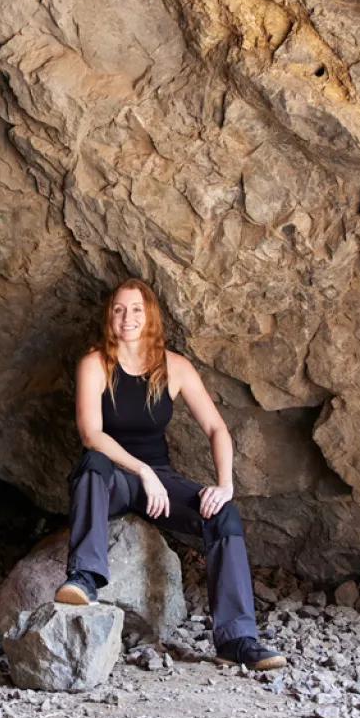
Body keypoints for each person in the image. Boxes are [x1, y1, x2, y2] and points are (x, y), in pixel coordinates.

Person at [54, 278, 286, 671]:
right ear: (109, 317)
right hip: (113, 480)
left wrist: (225, 485)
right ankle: (84, 578)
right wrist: (141, 470)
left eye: (136, 309)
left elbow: (217, 428)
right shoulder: (94, 364)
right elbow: (91, 434)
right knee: (93, 462)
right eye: (118, 310)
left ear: (150, 316)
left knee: (223, 515)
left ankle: (237, 640)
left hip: (157, 484)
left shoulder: (175, 367)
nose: (127, 318)